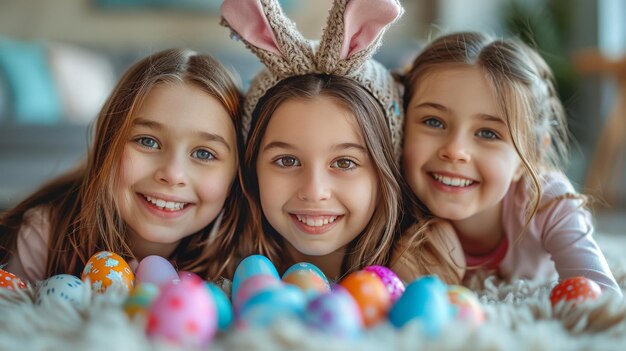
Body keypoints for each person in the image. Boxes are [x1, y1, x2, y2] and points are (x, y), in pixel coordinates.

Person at [220, 0, 462, 283]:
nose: (314, 191)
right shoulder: (219, 261)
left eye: (345, 162)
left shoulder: (426, 258)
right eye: (287, 160)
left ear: (386, 167)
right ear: (252, 166)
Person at [400, 31, 620, 293]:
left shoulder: (548, 202)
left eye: (488, 133)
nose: (456, 150)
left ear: (531, 157)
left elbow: (603, 301)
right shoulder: (389, 196)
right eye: (433, 122)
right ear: (400, 124)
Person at [0, 48, 244, 282]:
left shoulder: (239, 259)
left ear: (237, 171)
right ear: (108, 145)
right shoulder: (46, 236)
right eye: (148, 141)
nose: (172, 174)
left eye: (204, 153)